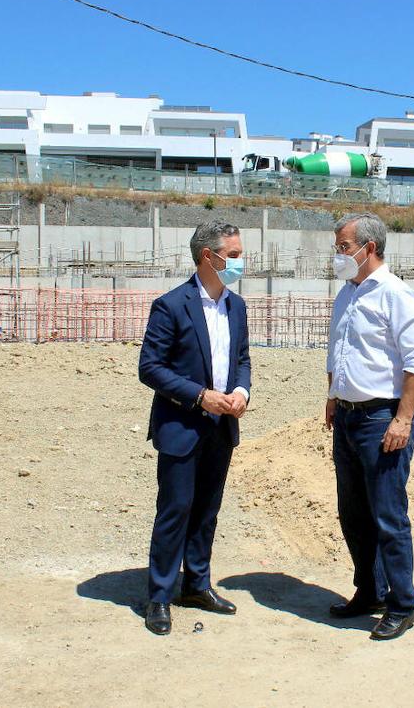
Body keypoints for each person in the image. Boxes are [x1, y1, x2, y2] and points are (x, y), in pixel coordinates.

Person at [137, 219, 251, 636]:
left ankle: (197, 584)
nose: (241, 262)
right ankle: (160, 596)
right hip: (182, 425)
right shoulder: (171, 305)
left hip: (222, 426)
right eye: (234, 256)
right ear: (209, 256)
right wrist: (200, 396)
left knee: (206, 512)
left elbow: (241, 359)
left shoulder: (236, 306)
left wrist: (241, 391)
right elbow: (149, 368)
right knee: (175, 511)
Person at [324, 212, 414, 641]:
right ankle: (368, 590)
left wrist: (403, 419)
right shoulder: (346, 295)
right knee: (353, 513)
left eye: (343, 246)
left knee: (388, 515)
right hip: (348, 417)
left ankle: (402, 603)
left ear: (369, 249)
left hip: (381, 419)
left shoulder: (397, 296)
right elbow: (340, 351)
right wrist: (333, 396)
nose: (338, 255)